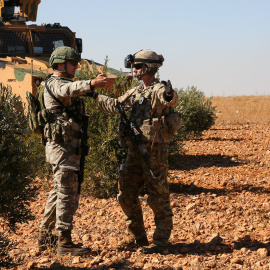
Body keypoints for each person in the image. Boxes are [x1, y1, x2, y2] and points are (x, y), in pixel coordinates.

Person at [90, 50, 180, 249]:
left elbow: (170, 99)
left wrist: (169, 94)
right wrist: (94, 95)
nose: (135, 70)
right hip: (135, 150)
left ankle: (161, 241)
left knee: (158, 196)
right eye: (134, 66)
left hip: (153, 152)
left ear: (149, 68)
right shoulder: (137, 91)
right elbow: (115, 105)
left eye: (138, 66)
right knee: (126, 194)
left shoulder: (158, 89)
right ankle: (136, 237)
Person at [38, 46, 114, 256]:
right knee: (67, 195)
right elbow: (68, 90)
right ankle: (64, 242)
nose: (76, 67)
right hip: (63, 150)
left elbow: (78, 89)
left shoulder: (65, 83)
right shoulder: (55, 83)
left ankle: (45, 237)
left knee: (58, 192)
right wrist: (91, 83)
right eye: (73, 63)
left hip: (66, 149)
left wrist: (95, 88)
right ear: (60, 64)